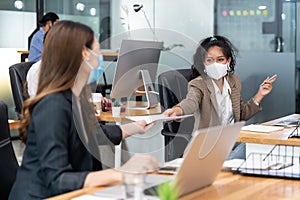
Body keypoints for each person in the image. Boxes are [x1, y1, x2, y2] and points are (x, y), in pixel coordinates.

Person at [9, 20, 159, 200]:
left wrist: (135, 127)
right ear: (83, 54)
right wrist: (121, 173)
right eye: (97, 50)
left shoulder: (78, 98)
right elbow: (57, 179)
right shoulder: (53, 106)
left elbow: (94, 135)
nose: (100, 56)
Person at [164, 35, 277, 159]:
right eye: (209, 60)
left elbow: (240, 115)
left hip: (231, 141)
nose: (215, 64)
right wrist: (176, 110)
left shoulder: (234, 81)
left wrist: (260, 94)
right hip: (208, 147)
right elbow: (190, 102)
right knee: (252, 154)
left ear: (228, 61)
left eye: (220, 59)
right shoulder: (198, 84)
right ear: (204, 63)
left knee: (261, 146)